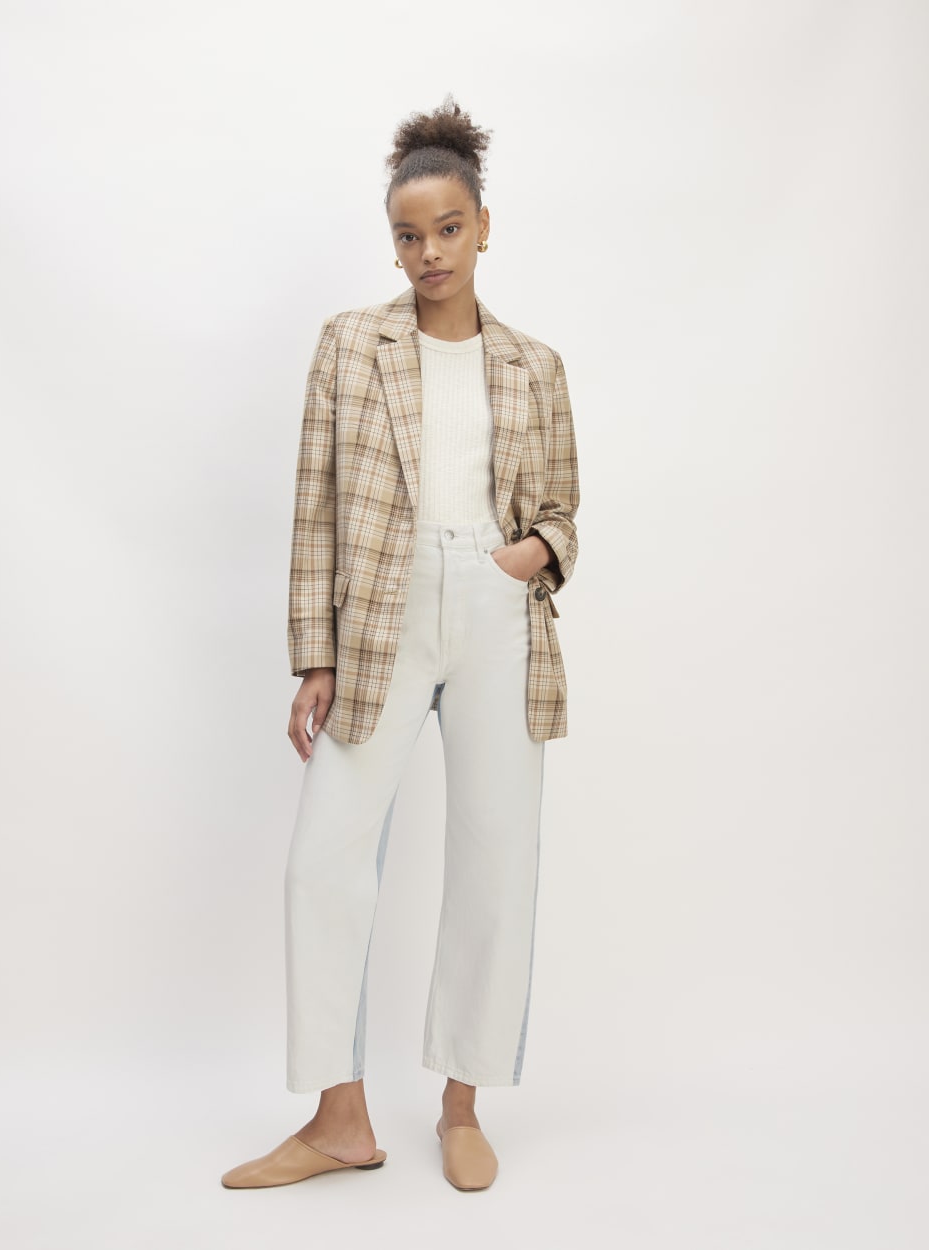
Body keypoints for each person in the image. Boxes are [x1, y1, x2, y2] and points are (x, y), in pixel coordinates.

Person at [221, 97, 580, 1193]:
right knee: (323, 859)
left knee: (494, 859)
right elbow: (315, 505)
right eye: (410, 235)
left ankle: (462, 1106)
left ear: (483, 227)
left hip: (494, 609)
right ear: (393, 242)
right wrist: (314, 655)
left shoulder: (534, 365)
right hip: (378, 611)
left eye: (449, 229)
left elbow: (562, 511)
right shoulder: (350, 344)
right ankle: (340, 1120)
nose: (430, 252)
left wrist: (529, 555)